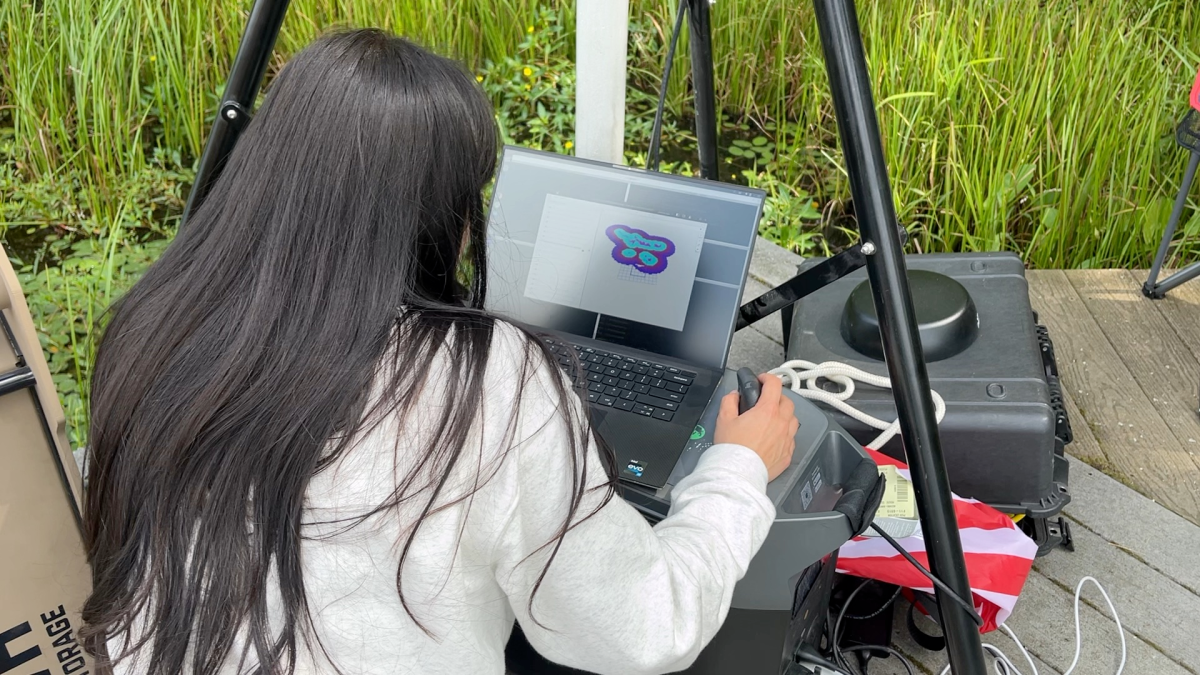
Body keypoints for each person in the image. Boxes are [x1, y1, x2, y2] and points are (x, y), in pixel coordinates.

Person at [81, 28, 797, 675]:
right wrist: (738, 470)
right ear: (439, 217)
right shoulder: (486, 382)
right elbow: (641, 626)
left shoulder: (152, 328)